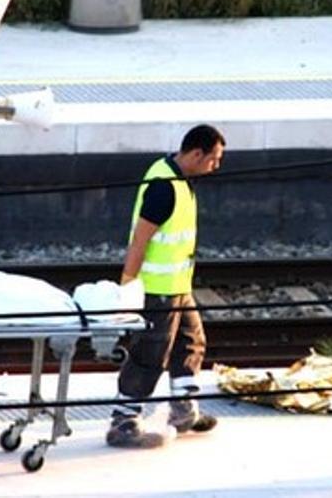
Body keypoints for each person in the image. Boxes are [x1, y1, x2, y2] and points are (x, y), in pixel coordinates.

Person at [106, 124, 226, 448]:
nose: (216, 166)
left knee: (191, 342)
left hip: (177, 286)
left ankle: (183, 410)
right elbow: (139, 241)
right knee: (150, 354)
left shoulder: (180, 177)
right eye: (213, 159)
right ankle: (123, 421)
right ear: (196, 154)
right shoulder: (165, 186)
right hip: (158, 290)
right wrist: (128, 287)